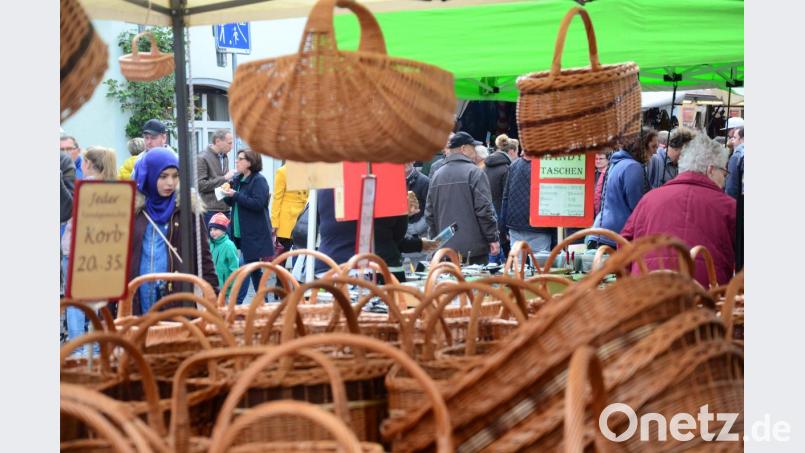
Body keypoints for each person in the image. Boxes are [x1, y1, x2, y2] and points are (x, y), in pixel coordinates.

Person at [621, 134, 736, 287]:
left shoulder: (649, 199)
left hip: (648, 291)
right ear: (710, 170)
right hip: (705, 294)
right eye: (724, 173)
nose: (724, 180)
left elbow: (624, 243)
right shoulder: (729, 207)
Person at [129, 148, 218, 315]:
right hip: (138, 297)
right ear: (149, 175)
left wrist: (214, 299)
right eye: (163, 176)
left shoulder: (187, 209)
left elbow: (204, 258)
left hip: (177, 298)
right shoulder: (133, 211)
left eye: (175, 176)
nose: (170, 183)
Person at [315, 188, 436, 282]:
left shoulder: (326, 182)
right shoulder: (389, 181)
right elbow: (396, 237)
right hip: (382, 269)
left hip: (331, 269)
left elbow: (320, 226)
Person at [62, 147, 118, 343]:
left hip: (76, 249)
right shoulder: (113, 187)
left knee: (75, 301)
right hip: (100, 250)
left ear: (87, 164)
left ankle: (78, 344)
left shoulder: (85, 187)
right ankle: (95, 342)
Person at [425, 131, 500, 264]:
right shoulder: (475, 172)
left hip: (445, 251)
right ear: (463, 148)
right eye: (473, 148)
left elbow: (430, 214)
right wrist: (492, 238)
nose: (475, 152)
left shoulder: (437, 175)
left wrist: (435, 243)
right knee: (475, 278)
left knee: (449, 278)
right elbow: (484, 210)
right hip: (474, 251)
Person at [222, 149, 274, 304]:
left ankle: (237, 303)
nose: (236, 161)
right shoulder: (238, 179)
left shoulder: (258, 180)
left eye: (240, 159)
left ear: (250, 162)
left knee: (245, 268)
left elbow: (258, 204)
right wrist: (226, 194)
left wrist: (236, 195)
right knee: (254, 270)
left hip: (254, 233)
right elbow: (232, 202)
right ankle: (262, 301)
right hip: (241, 232)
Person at [592, 127, 658, 248]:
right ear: (641, 146)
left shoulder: (618, 163)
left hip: (603, 230)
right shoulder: (633, 167)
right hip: (616, 235)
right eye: (653, 147)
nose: (655, 152)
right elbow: (638, 207)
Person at [499, 151, 556, 254]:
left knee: (518, 262)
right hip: (539, 227)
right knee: (539, 262)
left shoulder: (514, 165)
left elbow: (506, 198)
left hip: (516, 225)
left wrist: (503, 227)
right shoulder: (547, 165)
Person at [197, 129, 236, 226]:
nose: (232, 147)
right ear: (218, 141)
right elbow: (200, 185)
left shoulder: (224, 156)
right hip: (210, 210)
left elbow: (223, 181)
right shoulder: (202, 157)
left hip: (226, 208)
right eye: (229, 143)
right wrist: (225, 178)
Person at [270, 163, 309, 255]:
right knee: (281, 253)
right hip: (286, 219)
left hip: (301, 219)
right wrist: (274, 223)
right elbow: (277, 198)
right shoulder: (283, 171)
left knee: (300, 254)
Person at [208, 212, 240, 301]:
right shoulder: (210, 243)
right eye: (211, 230)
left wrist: (229, 285)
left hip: (224, 290)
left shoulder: (229, 246)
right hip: (211, 287)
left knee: (223, 308)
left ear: (223, 230)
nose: (212, 232)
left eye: (215, 229)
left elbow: (234, 268)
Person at [725, 126, 744, 199]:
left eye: (735, 138)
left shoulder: (737, 156)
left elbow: (731, 188)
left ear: (742, 139)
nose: (732, 141)